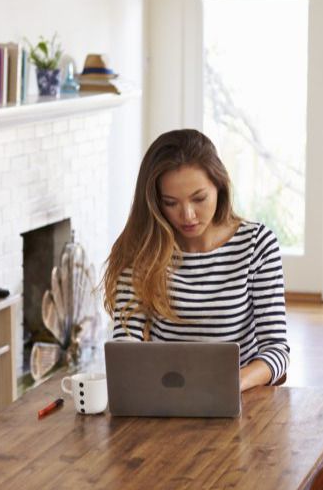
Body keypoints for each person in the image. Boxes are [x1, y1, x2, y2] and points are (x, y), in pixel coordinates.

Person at [102, 129, 290, 391]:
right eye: (171, 203)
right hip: (164, 399)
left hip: (240, 401)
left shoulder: (256, 244)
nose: (187, 215)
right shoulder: (142, 251)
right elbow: (126, 347)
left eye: (199, 198)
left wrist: (231, 384)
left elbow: (277, 351)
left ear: (219, 186)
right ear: (155, 202)